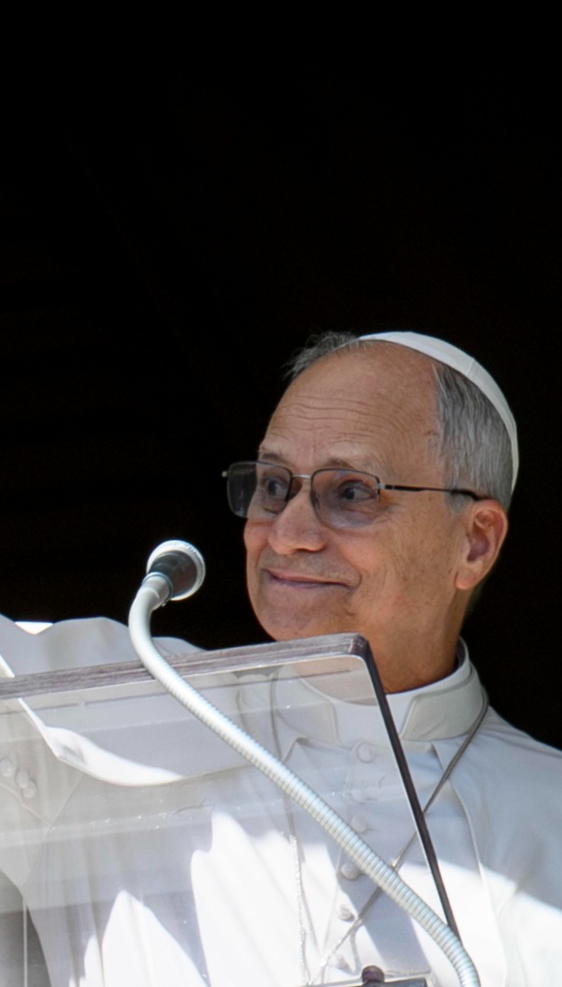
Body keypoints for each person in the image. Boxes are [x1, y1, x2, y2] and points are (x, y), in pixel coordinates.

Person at [1, 330, 561, 987]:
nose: (288, 535)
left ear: (474, 543)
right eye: (273, 485)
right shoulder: (111, 708)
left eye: (351, 491)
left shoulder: (548, 808)